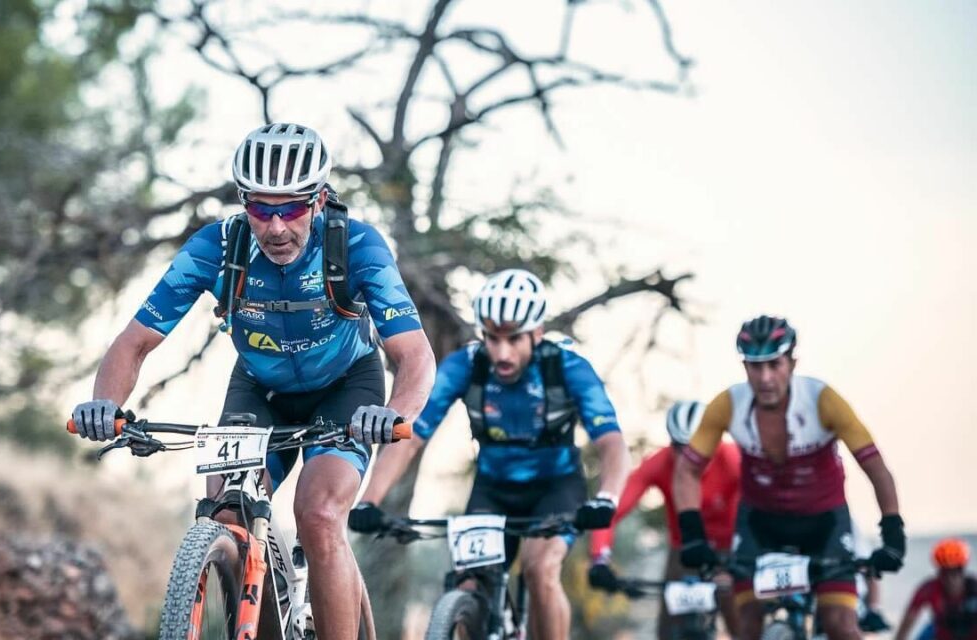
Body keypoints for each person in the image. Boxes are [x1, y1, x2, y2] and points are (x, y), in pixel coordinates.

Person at [70, 123, 436, 640]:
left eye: (292, 208)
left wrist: (394, 413)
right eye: (261, 209)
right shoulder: (217, 246)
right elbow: (135, 341)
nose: (276, 227)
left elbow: (415, 354)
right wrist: (104, 404)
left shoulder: (355, 245)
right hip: (259, 388)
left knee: (319, 509)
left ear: (321, 199)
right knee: (225, 509)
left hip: (346, 389)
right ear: (244, 204)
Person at [348, 268, 630, 640]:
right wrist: (369, 501)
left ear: (537, 333)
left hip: (556, 489)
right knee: (466, 585)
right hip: (493, 489)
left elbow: (612, 442)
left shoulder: (568, 367)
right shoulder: (467, 364)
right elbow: (411, 434)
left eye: (513, 339)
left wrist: (607, 497)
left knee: (539, 568)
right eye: (491, 338)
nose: (501, 352)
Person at [672, 315, 906, 640]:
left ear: (792, 363)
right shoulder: (728, 405)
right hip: (760, 524)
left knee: (840, 623)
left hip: (823, 524)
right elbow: (687, 470)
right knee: (747, 623)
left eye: (774, 364)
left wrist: (893, 532)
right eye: (755, 366)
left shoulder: (823, 400)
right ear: (744, 368)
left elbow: (876, 468)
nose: (765, 377)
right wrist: (693, 533)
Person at [587, 400, 742, 639]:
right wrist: (600, 558)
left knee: (742, 622)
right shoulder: (659, 463)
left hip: (730, 547)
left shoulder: (732, 459)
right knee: (667, 631)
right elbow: (611, 511)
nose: (687, 456)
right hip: (684, 550)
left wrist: (743, 558)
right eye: (678, 447)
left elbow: (755, 508)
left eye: (696, 447)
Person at [896, 539, 977, 640]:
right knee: (927, 632)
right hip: (942, 635)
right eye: (945, 573)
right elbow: (908, 621)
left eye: (956, 572)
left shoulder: (974, 589)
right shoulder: (929, 589)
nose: (951, 579)